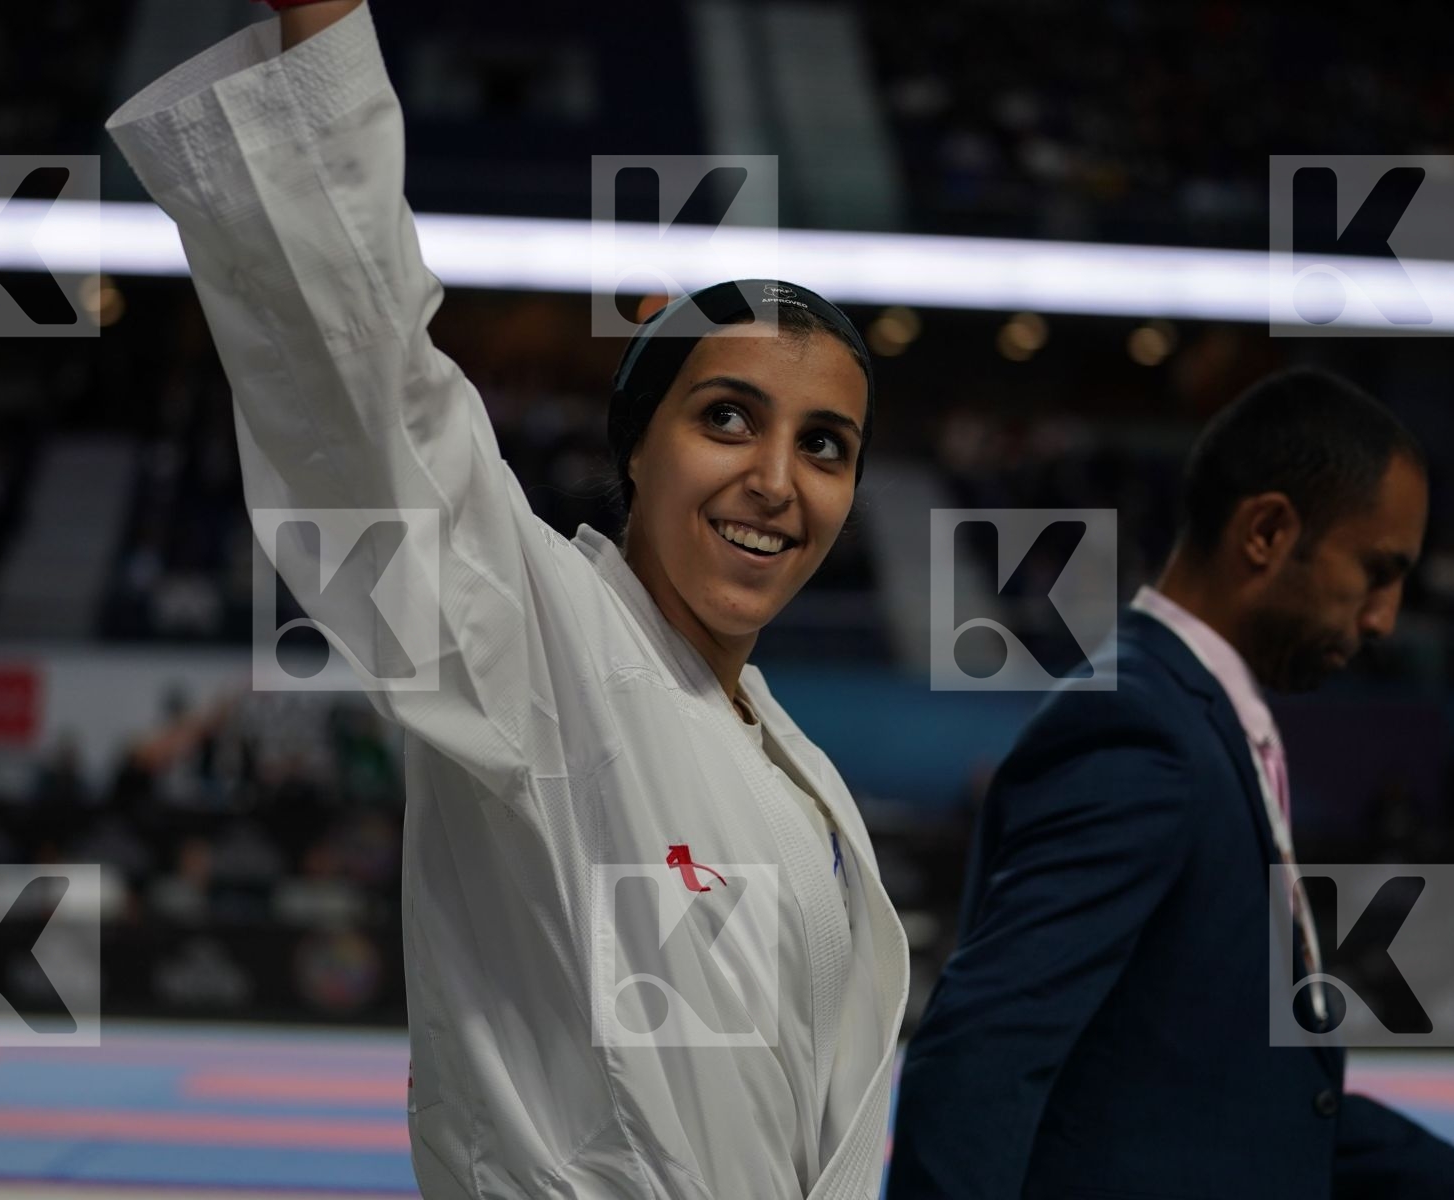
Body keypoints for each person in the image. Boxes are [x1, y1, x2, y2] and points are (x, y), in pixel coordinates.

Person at [104, 2, 908, 1196]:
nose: (777, 482)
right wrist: (317, 31)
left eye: (827, 444)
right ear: (639, 449)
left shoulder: (789, 766)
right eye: (727, 418)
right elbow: (375, 389)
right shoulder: (539, 644)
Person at [887, 369, 1454, 1200]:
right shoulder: (1140, 733)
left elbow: (1246, 1095)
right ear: (1268, 532)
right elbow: (979, 1059)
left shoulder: (1200, 724)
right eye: (1376, 570)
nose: (1385, 617)